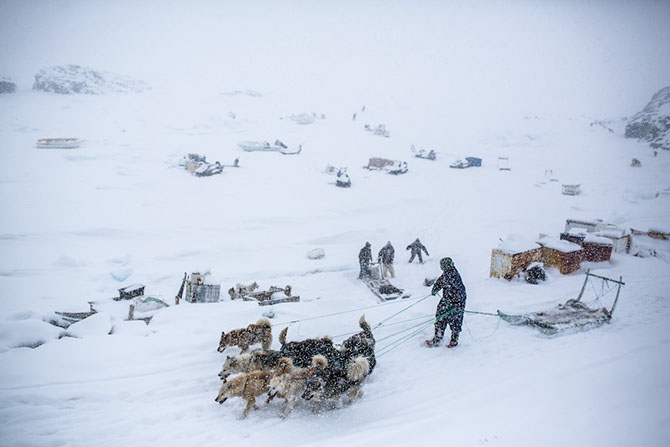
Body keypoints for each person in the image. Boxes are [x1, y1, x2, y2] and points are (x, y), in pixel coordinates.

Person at [426, 257, 467, 348]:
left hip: (457, 302)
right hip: (447, 300)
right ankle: (438, 338)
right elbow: (440, 281)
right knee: (440, 316)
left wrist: (456, 305)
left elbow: (458, 292)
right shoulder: (447, 273)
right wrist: (435, 289)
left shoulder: (453, 275)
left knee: (455, 320)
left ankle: (454, 341)